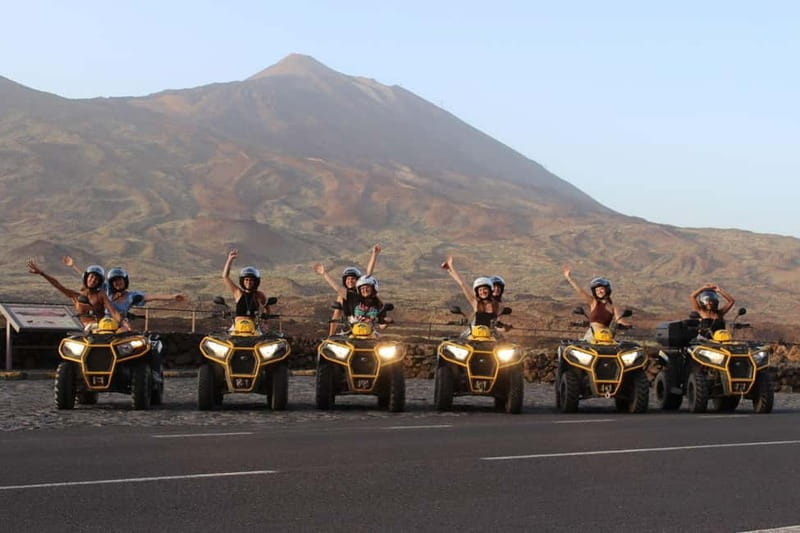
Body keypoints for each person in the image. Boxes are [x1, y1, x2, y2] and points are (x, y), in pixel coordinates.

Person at [27, 259, 122, 328]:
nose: (93, 280)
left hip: (100, 329)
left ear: (99, 281)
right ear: (86, 278)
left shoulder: (101, 295)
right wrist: (42, 273)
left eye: (96, 279)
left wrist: (121, 324)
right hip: (81, 331)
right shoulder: (76, 296)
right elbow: (58, 285)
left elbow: (113, 311)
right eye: (91, 277)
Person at [313, 244, 381, 335]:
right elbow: (337, 290)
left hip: (369, 329)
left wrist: (374, 254)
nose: (350, 281)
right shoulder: (344, 296)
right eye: (348, 279)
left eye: (353, 279)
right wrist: (331, 336)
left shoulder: (364, 292)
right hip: (352, 328)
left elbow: (369, 273)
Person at [105, 267, 186, 332]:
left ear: (125, 281)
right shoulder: (107, 295)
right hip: (103, 323)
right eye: (114, 281)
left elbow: (153, 297)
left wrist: (172, 296)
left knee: (125, 333)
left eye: (119, 279)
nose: (117, 282)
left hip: (121, 324)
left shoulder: (130, 297)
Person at [562, 265, 629, 340]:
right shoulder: (593, 302)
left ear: (606, 289)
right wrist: (569, 278)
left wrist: (625, 325)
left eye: (601, 289)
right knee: (578, 348)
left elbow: (619, 320)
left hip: (606, 335)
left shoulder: (613, 307)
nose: (599, 291)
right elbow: (580, 291)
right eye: (597, 290)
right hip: (592, 334)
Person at [441, 256, 499, 327]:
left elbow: (500, 325)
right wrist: (451, 268)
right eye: (480, 290)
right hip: (475, 335)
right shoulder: (476, 302)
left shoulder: (495, 305)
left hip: (489, 336)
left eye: (485, 289)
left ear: (490, 290)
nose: (482, 292)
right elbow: (463, 284)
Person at [222, 249, 269, 320]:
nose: (248, 282)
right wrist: (229, 260)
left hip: (253, 328)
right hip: (238, 328)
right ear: (242, 281)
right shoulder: (238, 293)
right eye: (246, 279)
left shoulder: (259, 295)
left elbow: (267, 309)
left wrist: (265, 318)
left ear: (255, 282)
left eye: (251, 280)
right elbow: (225, 277)